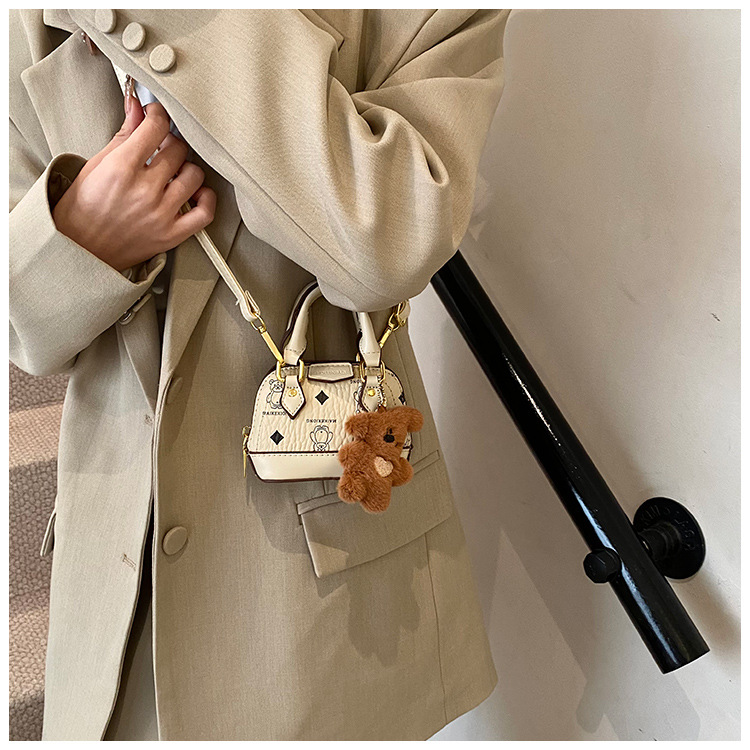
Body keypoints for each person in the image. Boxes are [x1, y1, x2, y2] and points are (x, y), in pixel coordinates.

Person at [9, 9, 512, 741]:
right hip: (117, 586)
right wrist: (78, 233)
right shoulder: (34, 19)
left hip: (317, 618)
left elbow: (389, 244)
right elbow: (21, 327)